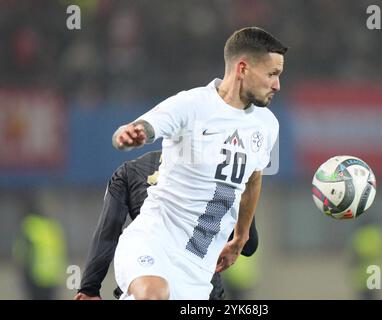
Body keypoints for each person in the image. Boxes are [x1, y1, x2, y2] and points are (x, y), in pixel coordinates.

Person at [111, 26, 286, 300]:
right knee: (153, 295)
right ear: (243, 69)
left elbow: (253, 178)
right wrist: (132, 133)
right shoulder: (192, 104)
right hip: (154, 240)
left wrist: (240, 237)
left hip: (197, 270)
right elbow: (147, 125)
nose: (277, 85)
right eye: (272, 74)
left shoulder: (266, 125)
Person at [74, 150, 259, 300]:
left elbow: (108, 232)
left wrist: (89, 288)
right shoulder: (221, 174)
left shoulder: (130, 171)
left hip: (146, 269)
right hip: (199, 281)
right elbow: (250, 245)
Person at [12, 196, 67, 300]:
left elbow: (20, 253)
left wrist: (21, 273)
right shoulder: (54, 227)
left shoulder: (28, 226)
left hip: (35, 278)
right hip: (53, 278)